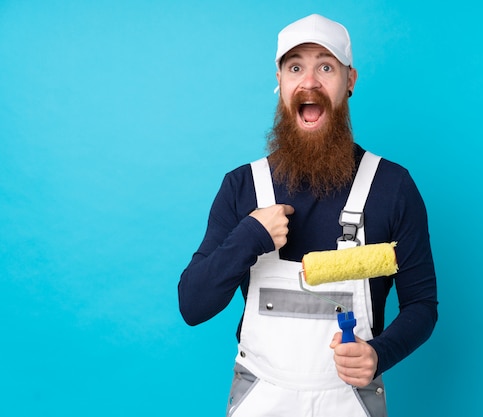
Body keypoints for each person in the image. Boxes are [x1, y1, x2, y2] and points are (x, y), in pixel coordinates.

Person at [178, 13, 438, 417]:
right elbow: (192, 306)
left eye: (326, 67)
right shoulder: (242, 187)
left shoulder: (392, 187)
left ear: (349, 81)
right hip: (259, 398)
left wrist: (377, 355)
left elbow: (422, 303)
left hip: (350, 400)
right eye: (295, 67)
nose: (310, 81)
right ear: (279, 82)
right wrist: (250, 235)